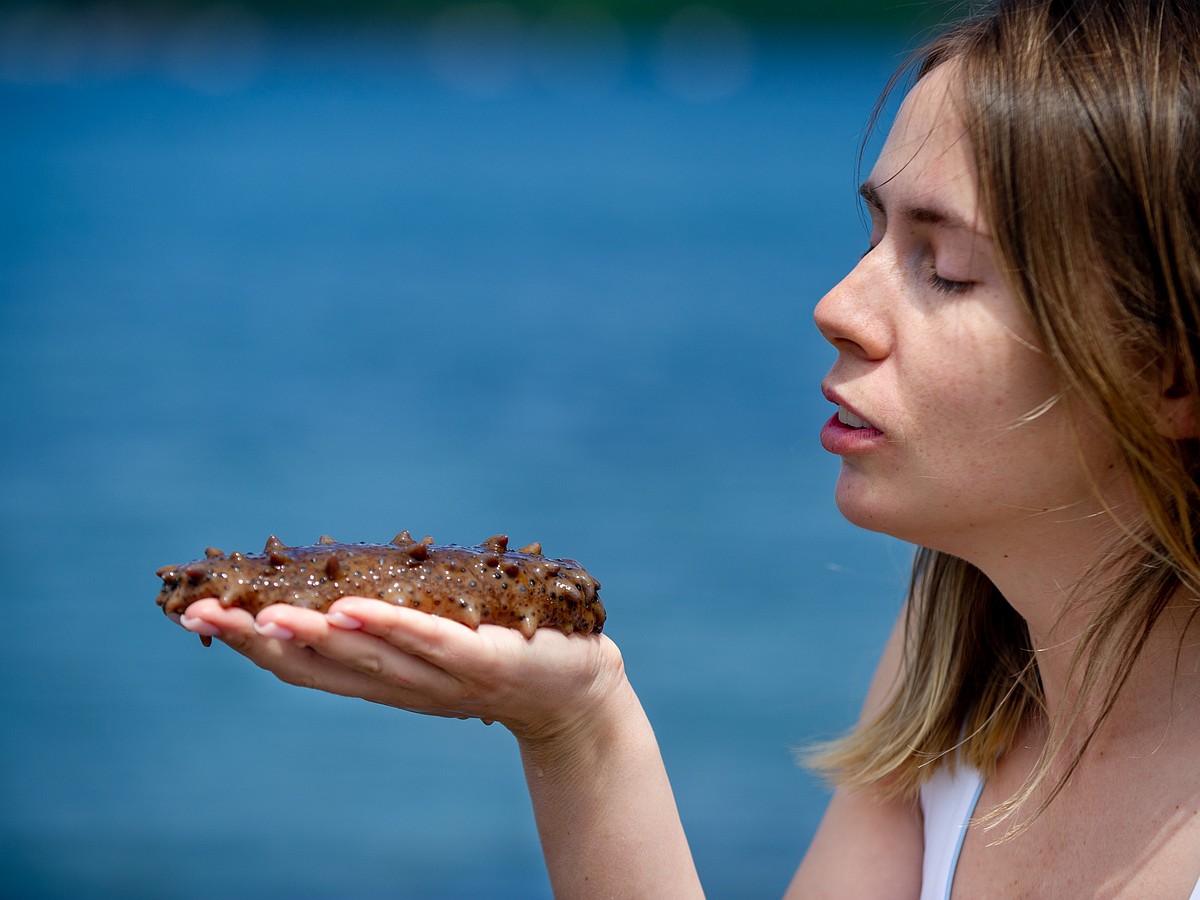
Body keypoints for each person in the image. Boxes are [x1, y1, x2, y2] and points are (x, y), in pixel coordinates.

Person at [176, 0, 1200, 895]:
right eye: (876, 234)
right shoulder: (960, 680)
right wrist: (581, 728)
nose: (837, 307)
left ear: (1171, 373)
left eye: (946, 268)